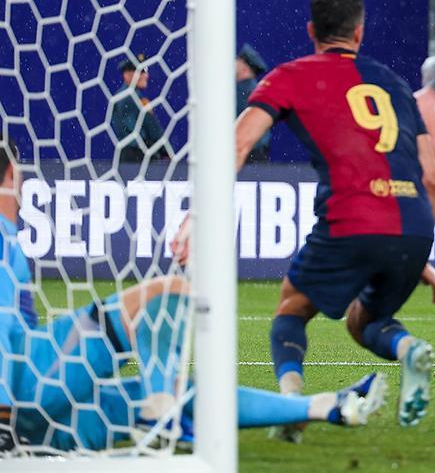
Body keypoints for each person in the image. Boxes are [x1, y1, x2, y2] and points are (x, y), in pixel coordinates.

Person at [0, 142, 387, 454]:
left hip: (45, 423)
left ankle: (324, 406)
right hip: (25, 396)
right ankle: (160, 418)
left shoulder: (10, 238)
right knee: (169, 292)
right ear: (10, 176)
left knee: (180, 391)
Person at [186, 0, 435, 441]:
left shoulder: (291, 76)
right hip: (414, 223)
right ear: (360, 32)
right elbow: (431, 177)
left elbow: (239, 142)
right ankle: (409, 348)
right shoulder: (396, 84)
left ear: (311, 31)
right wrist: (417, 250)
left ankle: (291, 408)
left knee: (291, 307)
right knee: (365, 321)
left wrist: (198, 214)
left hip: (353, 216)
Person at [110, 56, 171, 164]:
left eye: (146, 71)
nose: (146, 75)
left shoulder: (119, 97)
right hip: (139, 158)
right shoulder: (131, 99)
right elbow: (151, 128)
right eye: (141, 71)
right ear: (127, 74)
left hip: (128, 157)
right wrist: (166, 151)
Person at [236, 46, 271, 163]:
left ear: (245, 69)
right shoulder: (257, 89)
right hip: (256, 153)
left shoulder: (240, 90)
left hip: (245, 155)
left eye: (238, 61)